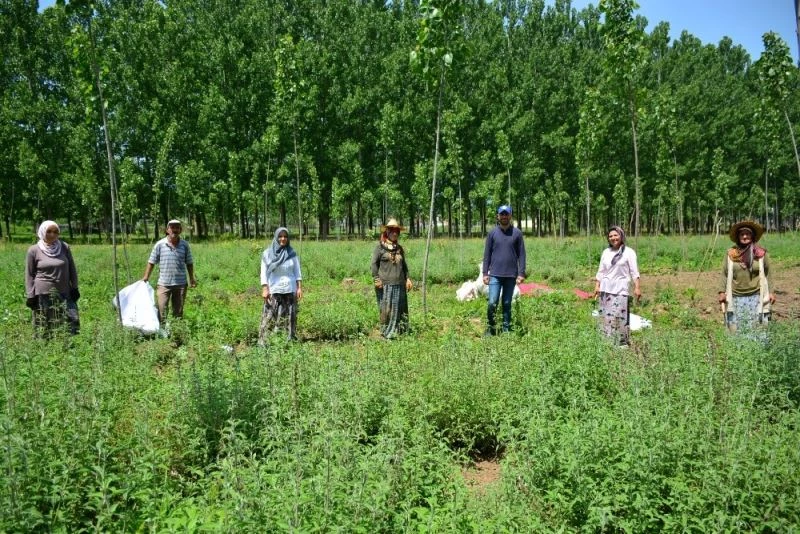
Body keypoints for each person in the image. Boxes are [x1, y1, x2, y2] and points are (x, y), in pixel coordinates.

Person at [718, 220, 775, 338]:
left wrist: (771, 292)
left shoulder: (760, 254)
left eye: (747, 234)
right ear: (738, 237)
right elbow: (724, 273)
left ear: (752, 236)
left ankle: (758, 352)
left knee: (757, 326)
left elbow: (769, 273)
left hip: (756, 296)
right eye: (742, 234)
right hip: (735, 297)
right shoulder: (731, 254)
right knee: (736, 327)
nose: (745, 236)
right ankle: (739, 351)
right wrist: (722, 292)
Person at [25, 220, 80, 337]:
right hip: (43, 293)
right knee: (45, 326)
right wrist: (30, 295)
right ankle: (44, 349)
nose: (52, 234)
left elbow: (72, 269)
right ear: (42, 232)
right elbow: (29, 275)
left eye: (56, 232)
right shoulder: (34, 250)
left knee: (72, 321)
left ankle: (70, 347)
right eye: (49, 231)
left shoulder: (64, 247)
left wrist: (74, 287)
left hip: (65, 291)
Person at [593, 225, 641, 347]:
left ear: (621, 236)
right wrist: (597, 286)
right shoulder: (606, 252)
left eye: (615, 235)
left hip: (621, 290)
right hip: (605, 289)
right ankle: (606, 343)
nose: (613, 238)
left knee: (620, 317)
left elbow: (634, 272)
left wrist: (637, 287)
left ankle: (622, 344)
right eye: (610, 236)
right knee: (605, 317)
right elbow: (601, 270)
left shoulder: (629, 252)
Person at [482, 205, 526, 335]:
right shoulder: (492, 233)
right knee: (492, 302)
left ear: (510, 216)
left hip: (511, 275)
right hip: (495, 274)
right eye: (502, 214)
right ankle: (491, 329)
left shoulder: (517, 233)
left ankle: (506, 330)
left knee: (507, 303)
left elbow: (522, 255)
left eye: (507, 214)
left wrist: (521, 273)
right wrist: (485, 273)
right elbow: (487, 254)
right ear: (498, 216)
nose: (504, 216)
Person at [142, 219, 197, 324]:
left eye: (177, 227)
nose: (174, 230)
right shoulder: (160, 244)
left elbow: (189, 263)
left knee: (178, 312)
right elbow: (151, 261)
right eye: (172, 227)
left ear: (180, 230)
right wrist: (146, 277)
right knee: (162, 311)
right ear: (167, 230)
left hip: (180, 284)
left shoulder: (185, 245)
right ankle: (161, 334)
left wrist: (192, 279)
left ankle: (176, 334)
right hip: (164, 284)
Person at [259, 227, 303, 344]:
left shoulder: (292, 253)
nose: (283, 239)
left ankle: (289, 340)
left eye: (285, 236)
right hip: (274, 289)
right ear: (276, 237)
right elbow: (263, 272)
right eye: (280, 236)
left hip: (290, 288)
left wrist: (299, 287)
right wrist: (265, 288)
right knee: (269, 315)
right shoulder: (267, 253)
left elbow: (297, 272)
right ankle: (263, 341)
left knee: (290, 315)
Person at [371, 218, 412, 339]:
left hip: (399, 284)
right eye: (392, 231)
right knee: (386, 310)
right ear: (387, 232)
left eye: (397, 231)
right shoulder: (379, 248)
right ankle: (386, 334)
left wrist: (408, 279)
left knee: (400, 309)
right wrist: (376, 279)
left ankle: (401, 333)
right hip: (385, 285)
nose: (395, 233)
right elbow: (373, 264)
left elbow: (404, 266)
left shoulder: (399, 248)